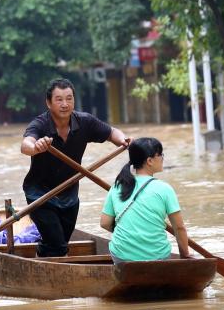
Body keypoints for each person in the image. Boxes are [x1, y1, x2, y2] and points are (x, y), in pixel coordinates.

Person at [20, 78, 128, 257]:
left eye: (69, 98)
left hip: (69, 192)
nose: (65, 104)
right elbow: (26, 145)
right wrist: (36, 147)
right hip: (40, 193)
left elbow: (111, 133)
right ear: (49, 103)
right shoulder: (40, 124)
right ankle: (50, 270)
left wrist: (123, 140)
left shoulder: (85, 122)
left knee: (61, 241)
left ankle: (43, 258)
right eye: (59, 99)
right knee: (57, 244)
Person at [99, 137, 190, 262]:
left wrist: (131, 233)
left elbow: (104, 223)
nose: (163, 158)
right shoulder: (164, 189)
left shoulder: (117, 186)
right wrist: (185, 256)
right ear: (150, 161)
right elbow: (179, 228)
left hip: (121, 257)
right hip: (158, 257)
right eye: (160, 154)